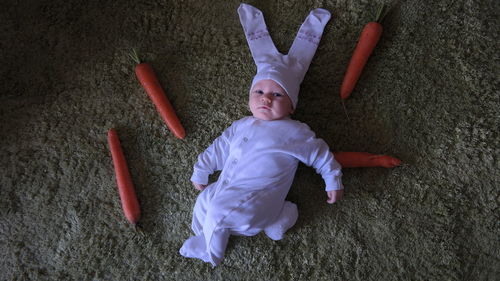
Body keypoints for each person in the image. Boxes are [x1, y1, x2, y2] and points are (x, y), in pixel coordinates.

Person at [179, 3, 400, 267]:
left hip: (256, 199)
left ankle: (211, 252)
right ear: (249, 96)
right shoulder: (241, 125)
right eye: (259, 92)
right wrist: (201, 170)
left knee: (217, 211)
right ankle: (279, 219)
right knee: (205, 201)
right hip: (239, 194)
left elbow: (321, 155)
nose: (266, 99)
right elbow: (220, 147)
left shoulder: (294, 132)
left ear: (292, 105)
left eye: (277, 94)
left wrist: (333, 179)